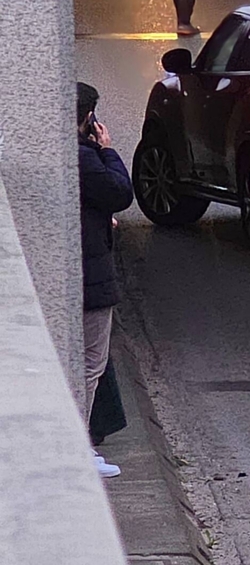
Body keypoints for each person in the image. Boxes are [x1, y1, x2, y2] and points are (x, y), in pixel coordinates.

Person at [78, 82, 134, 478]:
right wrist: (108, 149)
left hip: (80, 271)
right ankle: (80, 445)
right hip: (92, 277)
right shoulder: (86, 157)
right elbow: (119, 192)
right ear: (87, 119)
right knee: (89, 363)